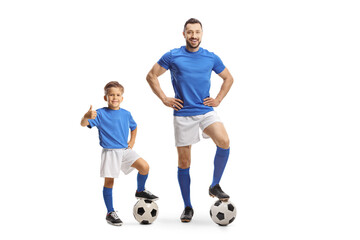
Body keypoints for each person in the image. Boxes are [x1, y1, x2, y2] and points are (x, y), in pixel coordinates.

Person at [146, 18, 234, 222]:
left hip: (205, 110)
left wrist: (218, 99)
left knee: (224, 141)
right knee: (184, 162)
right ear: (183, 34)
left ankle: (215, 185)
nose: (194, 36)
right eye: (190, 32)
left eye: (197, 32)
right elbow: (151, 75)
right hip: (183, 114)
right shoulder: (173, 55)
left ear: (202, 34)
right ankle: (187, 206)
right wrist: (164, 99)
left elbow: (229, 78)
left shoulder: (211, 57)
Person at [80, 81, 158, 226]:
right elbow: (83, 124)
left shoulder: (126, 114)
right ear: (106, 98)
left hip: (124, 150)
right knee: (109, 182)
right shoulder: (99, 113)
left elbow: (134, 127)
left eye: (117, 95)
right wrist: (86, 115)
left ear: (122, 98)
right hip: (110, 152)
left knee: (144, 167)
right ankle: (110, 212)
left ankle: (140, 190)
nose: (114, 97)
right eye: (111, 95)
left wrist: (132, 141)